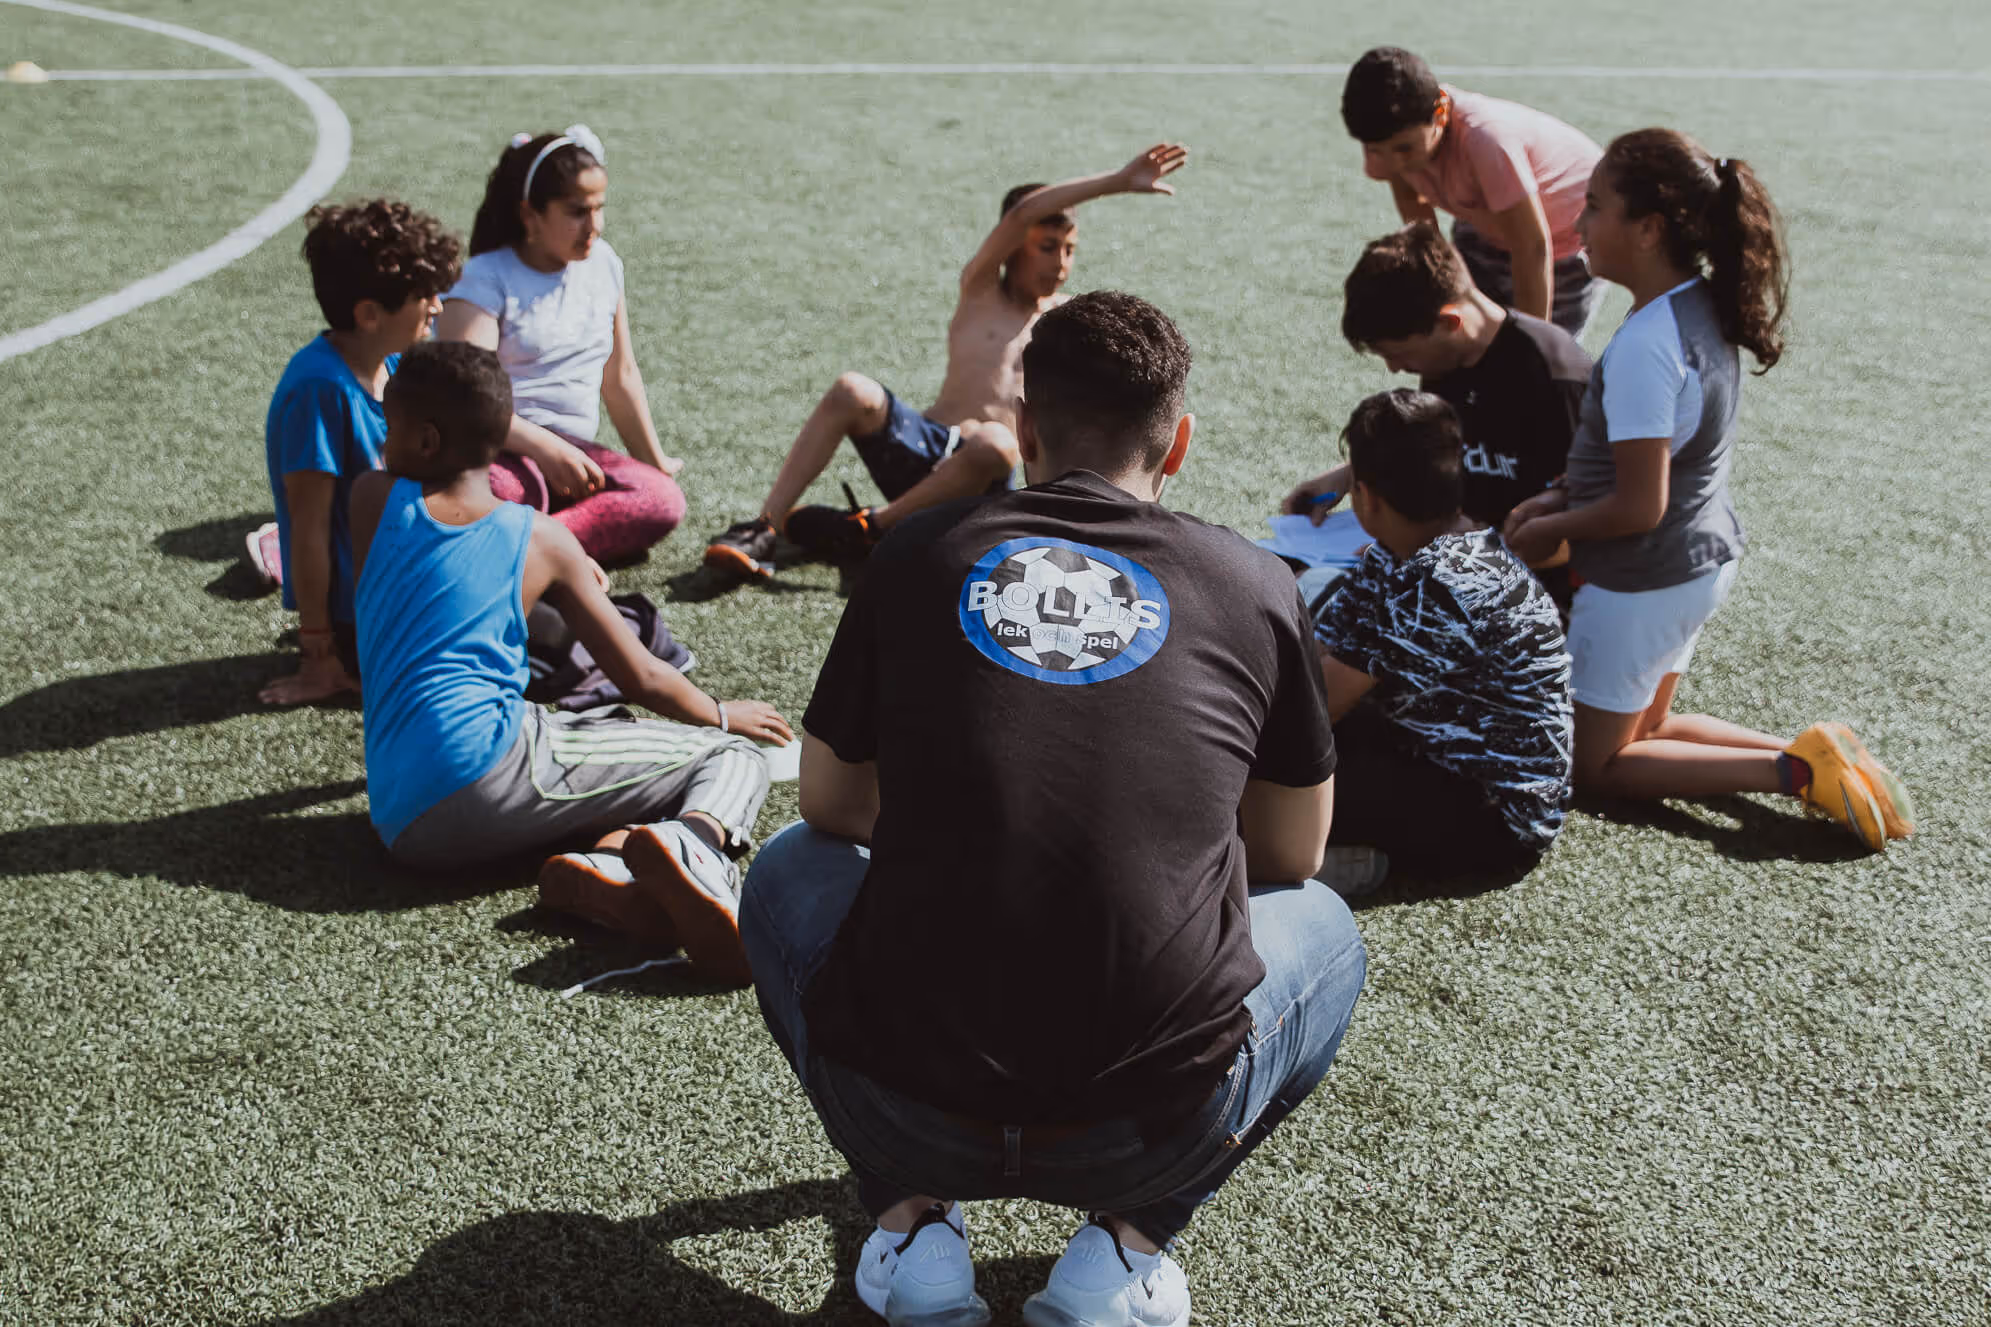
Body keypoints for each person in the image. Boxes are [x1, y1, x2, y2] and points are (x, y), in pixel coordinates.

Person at [739, 292, 1365, 1327]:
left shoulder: (910, 555)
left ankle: (909, 1226)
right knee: (1328, 930)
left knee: (783, 865)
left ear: (1023, 429)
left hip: (906, 1106)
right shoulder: (1256, 581)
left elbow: (831, 807)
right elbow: (1292, 851)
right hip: (1148, 1123)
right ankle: (1123, 1250)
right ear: (1181, 442)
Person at [1501, 129, 1913, 851]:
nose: (1578, 225)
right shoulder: (1694, 304)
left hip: (1645, 579)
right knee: (1648, 728)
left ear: (1649, 228)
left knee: (1590, 764)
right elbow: (1662, 453)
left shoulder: (1644, 344)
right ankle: (1816, 754)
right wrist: (1562, 492)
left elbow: (1638, 505)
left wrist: (1544, 531)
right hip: (1698, 561)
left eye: (1594, 208)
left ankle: (1790, 773)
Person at [347, 341, 794, 976]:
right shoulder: (541, 538)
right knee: (730, 757)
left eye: (387, 424)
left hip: (400, 817)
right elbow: (640, 674)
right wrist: (719, 714)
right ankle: (695, 849)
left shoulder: (369, 498)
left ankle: (610, 864)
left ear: (422, 442)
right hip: (490, 773)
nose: (381, 439)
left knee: (610, 741)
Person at [702, 143, 1190, 578]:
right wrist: (1116, 183)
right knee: (852, 389)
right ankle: (762, 528)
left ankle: (869, 527)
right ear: (1012, 247)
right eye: (1046, 247)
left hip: (988, 478)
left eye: (1069, 250)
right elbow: (1024, 211)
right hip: (925, 451)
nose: (1060, 262)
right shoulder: (980, 291)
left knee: (998, 442)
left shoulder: (1065, 321)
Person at [1314, 390, 1572, 882]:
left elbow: (1315, 707)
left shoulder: (1434, 583)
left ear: (1365, 497)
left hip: (1496, 820)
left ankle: (1357, 866)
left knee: (1268, 779)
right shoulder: (1404, 552)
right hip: (1428, 752)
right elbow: (1316, 651)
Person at [1284, 221, 1592, 609]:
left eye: (1399, 354)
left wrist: (1434, 552)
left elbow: (1573, 538)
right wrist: (1350, 474)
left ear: (1450, 322)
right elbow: (1439, 455)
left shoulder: (1555, 380)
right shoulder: (1446, 361)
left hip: (1526, 599)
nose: (1396, 369)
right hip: (1447, 566)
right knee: (1288, 583)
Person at [437, 126, 687, 566]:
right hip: (498, 451)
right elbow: (463, 401)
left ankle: (523, 552)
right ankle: (530, 551)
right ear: (530, 215)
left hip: (573, 458)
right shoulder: (485, 279)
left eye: (599, 208)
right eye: (576, 211)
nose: (594, 226)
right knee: (496, 493)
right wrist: (544, 448)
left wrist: (653, 463)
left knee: (660, 500)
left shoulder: (604, 264)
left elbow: (619, 375)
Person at [256, 198, 462, 706]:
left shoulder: (391, 357)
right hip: (365, 612)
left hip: (400, 579)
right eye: (423, 296)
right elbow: (308, 529)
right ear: (370, 314)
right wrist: (318, 655)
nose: (437, 306)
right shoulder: (320, 391)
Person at [1341, 46, 1602, 335]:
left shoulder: (1486, 140)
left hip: (1561, 246)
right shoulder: (1395, 145)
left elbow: (1533, 247)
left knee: (1532, 361)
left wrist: (1532, 343)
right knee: (1462, 341)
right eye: (1375, 150)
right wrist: (1437, 284)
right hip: (1487, 226)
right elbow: (1415, 209)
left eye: (1404, 148)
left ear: (1440, 112)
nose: (1387, 165)